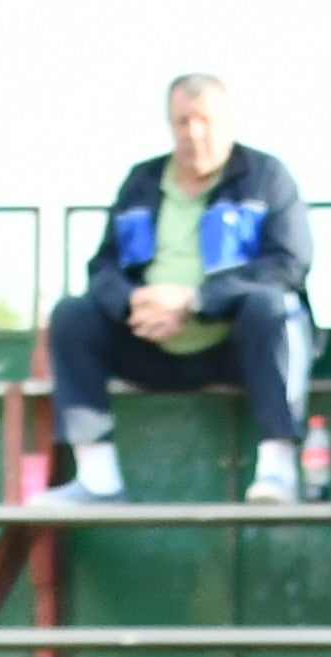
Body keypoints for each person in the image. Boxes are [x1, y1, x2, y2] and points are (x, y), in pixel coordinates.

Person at [44, 75, 314, 507]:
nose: (194, 134)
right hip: (150, 343)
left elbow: (289, 264)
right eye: (182, 122)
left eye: (205, 120)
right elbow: (103, 267)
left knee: (273, 307)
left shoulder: (267, 176)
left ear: (227, 120)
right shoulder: (141, 181)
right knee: (71, 315)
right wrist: (134, 303)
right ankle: (97, 479)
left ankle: (278, 469)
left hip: (236, 349)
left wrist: (194, 300)